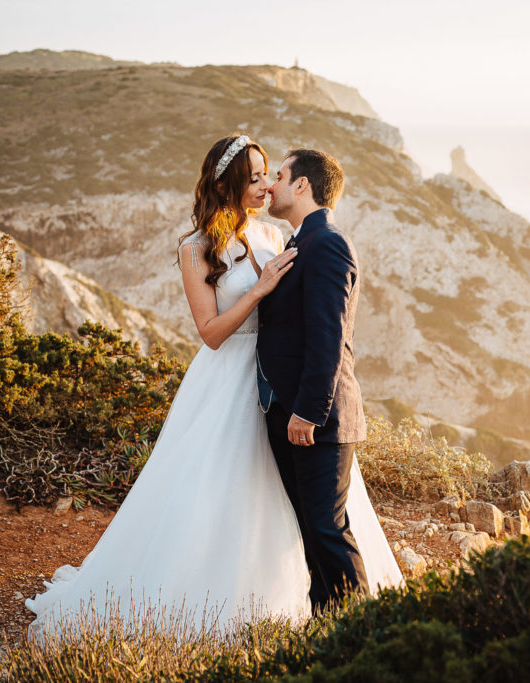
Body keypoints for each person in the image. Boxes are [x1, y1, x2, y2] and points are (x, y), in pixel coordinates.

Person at [25, 135, 402, 640]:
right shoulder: (196, 248)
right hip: (229, 381)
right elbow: (210, 333)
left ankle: (319, 616)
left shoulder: (276, 236)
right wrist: (261, 288)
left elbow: (317, 320)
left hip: (278, 390)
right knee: (217, 495)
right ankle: (207, 608)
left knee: (304, 512)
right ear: (227, 184)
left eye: (271, 174)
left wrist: (307, 399)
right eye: (254, 178)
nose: (266, 185)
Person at [257, 148, 370, 612]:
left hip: (318, 419)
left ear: (302, 185)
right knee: (312, 529)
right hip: (291, 413)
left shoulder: (327, 243)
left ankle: (367, 631)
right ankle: (330, 631)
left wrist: (307, 411)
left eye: (279, 175)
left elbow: (329, 337)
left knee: (327, 528)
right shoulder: (300, 242)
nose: (271, 185)